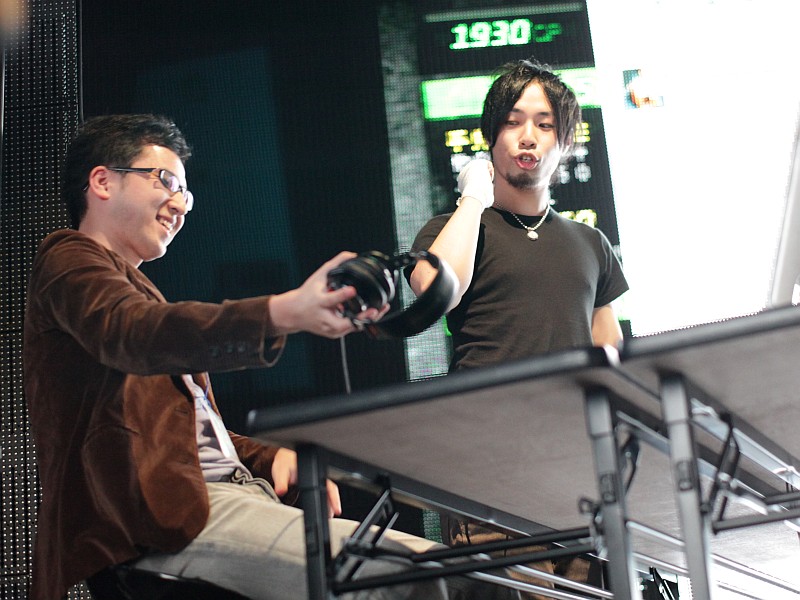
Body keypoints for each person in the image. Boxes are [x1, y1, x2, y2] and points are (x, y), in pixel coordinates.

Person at [23, 114, 520, 600]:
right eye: (167, 181)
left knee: (474, 578)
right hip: (161, 521)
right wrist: (284, 311)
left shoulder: (138, 293)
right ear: (102, 182)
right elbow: (133, 333)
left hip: (225, 499)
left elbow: (186, 438)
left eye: (186, 194)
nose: (180, 204)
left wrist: (273, 455)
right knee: (413, 576)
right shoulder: (67, 257)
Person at [408, 59, 630, 596]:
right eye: (512, 121)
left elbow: (611, 356)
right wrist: (472, 199)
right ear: (491, 136)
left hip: (578, 471)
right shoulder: (450, 229)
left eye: (544, 124)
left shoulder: (590, 243)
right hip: (490, 466)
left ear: (565, 142)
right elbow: (435, 291)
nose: (527, 136)